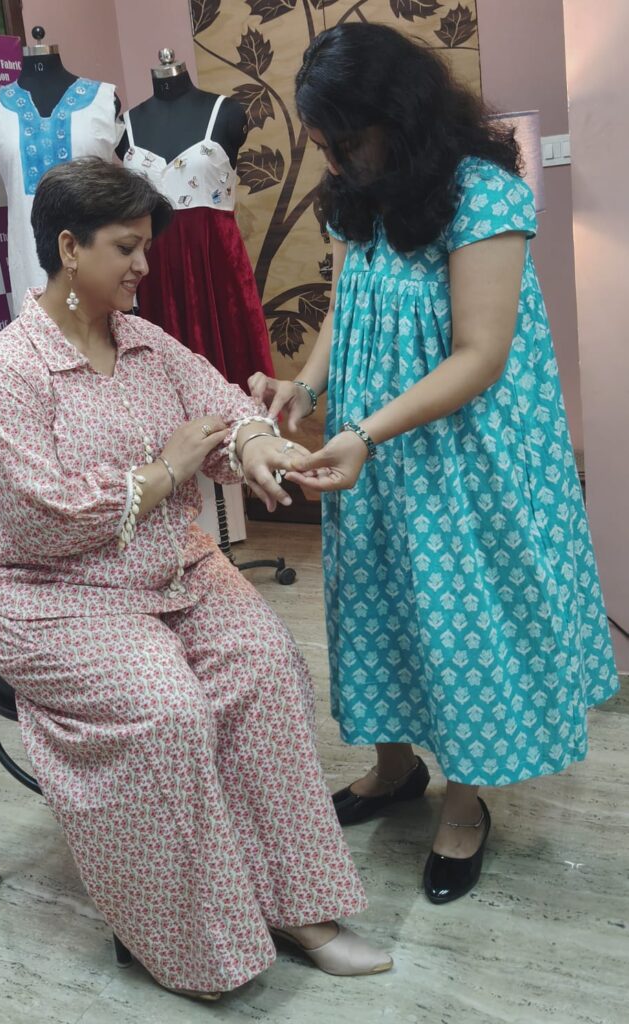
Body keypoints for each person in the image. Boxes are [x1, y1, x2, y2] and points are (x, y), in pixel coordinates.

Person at [0, 157, 392, 999]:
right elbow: (39, 518)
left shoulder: (144, 340)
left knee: (265, 669)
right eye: (126, 248)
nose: (143, 266)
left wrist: (260, 445)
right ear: (68, 247)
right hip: (54, 593)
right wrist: (164, 473)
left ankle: (294, 907)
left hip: (168, 567)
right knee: (167, 713)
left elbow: (222, 408)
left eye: (145, 248)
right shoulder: (7, 371)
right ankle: (198, 943)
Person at [250, 23, 619, 905]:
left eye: (345, 143)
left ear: (399, 117)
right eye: (324, 147)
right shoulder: (358, 190)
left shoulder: (482, 196)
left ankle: (464, 801)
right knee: (373, 603)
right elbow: (349, 303)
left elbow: (478, 355)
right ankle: (394, 769)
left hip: (458, 456)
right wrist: (305, 385)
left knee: (459, 625)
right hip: (373, 447)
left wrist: (366, 432)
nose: (333, 163)